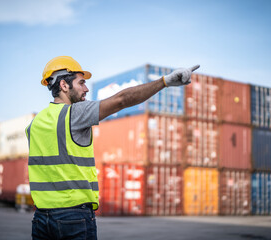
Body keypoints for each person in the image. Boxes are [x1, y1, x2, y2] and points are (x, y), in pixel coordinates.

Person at [26, 56, 199, 240]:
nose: (86, 89)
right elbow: (121, 100)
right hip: (73, 218)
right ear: (64, 85)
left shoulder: (34, 125)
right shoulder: (74, 114)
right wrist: (165, 81)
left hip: (40, 219)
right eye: (81, 83)